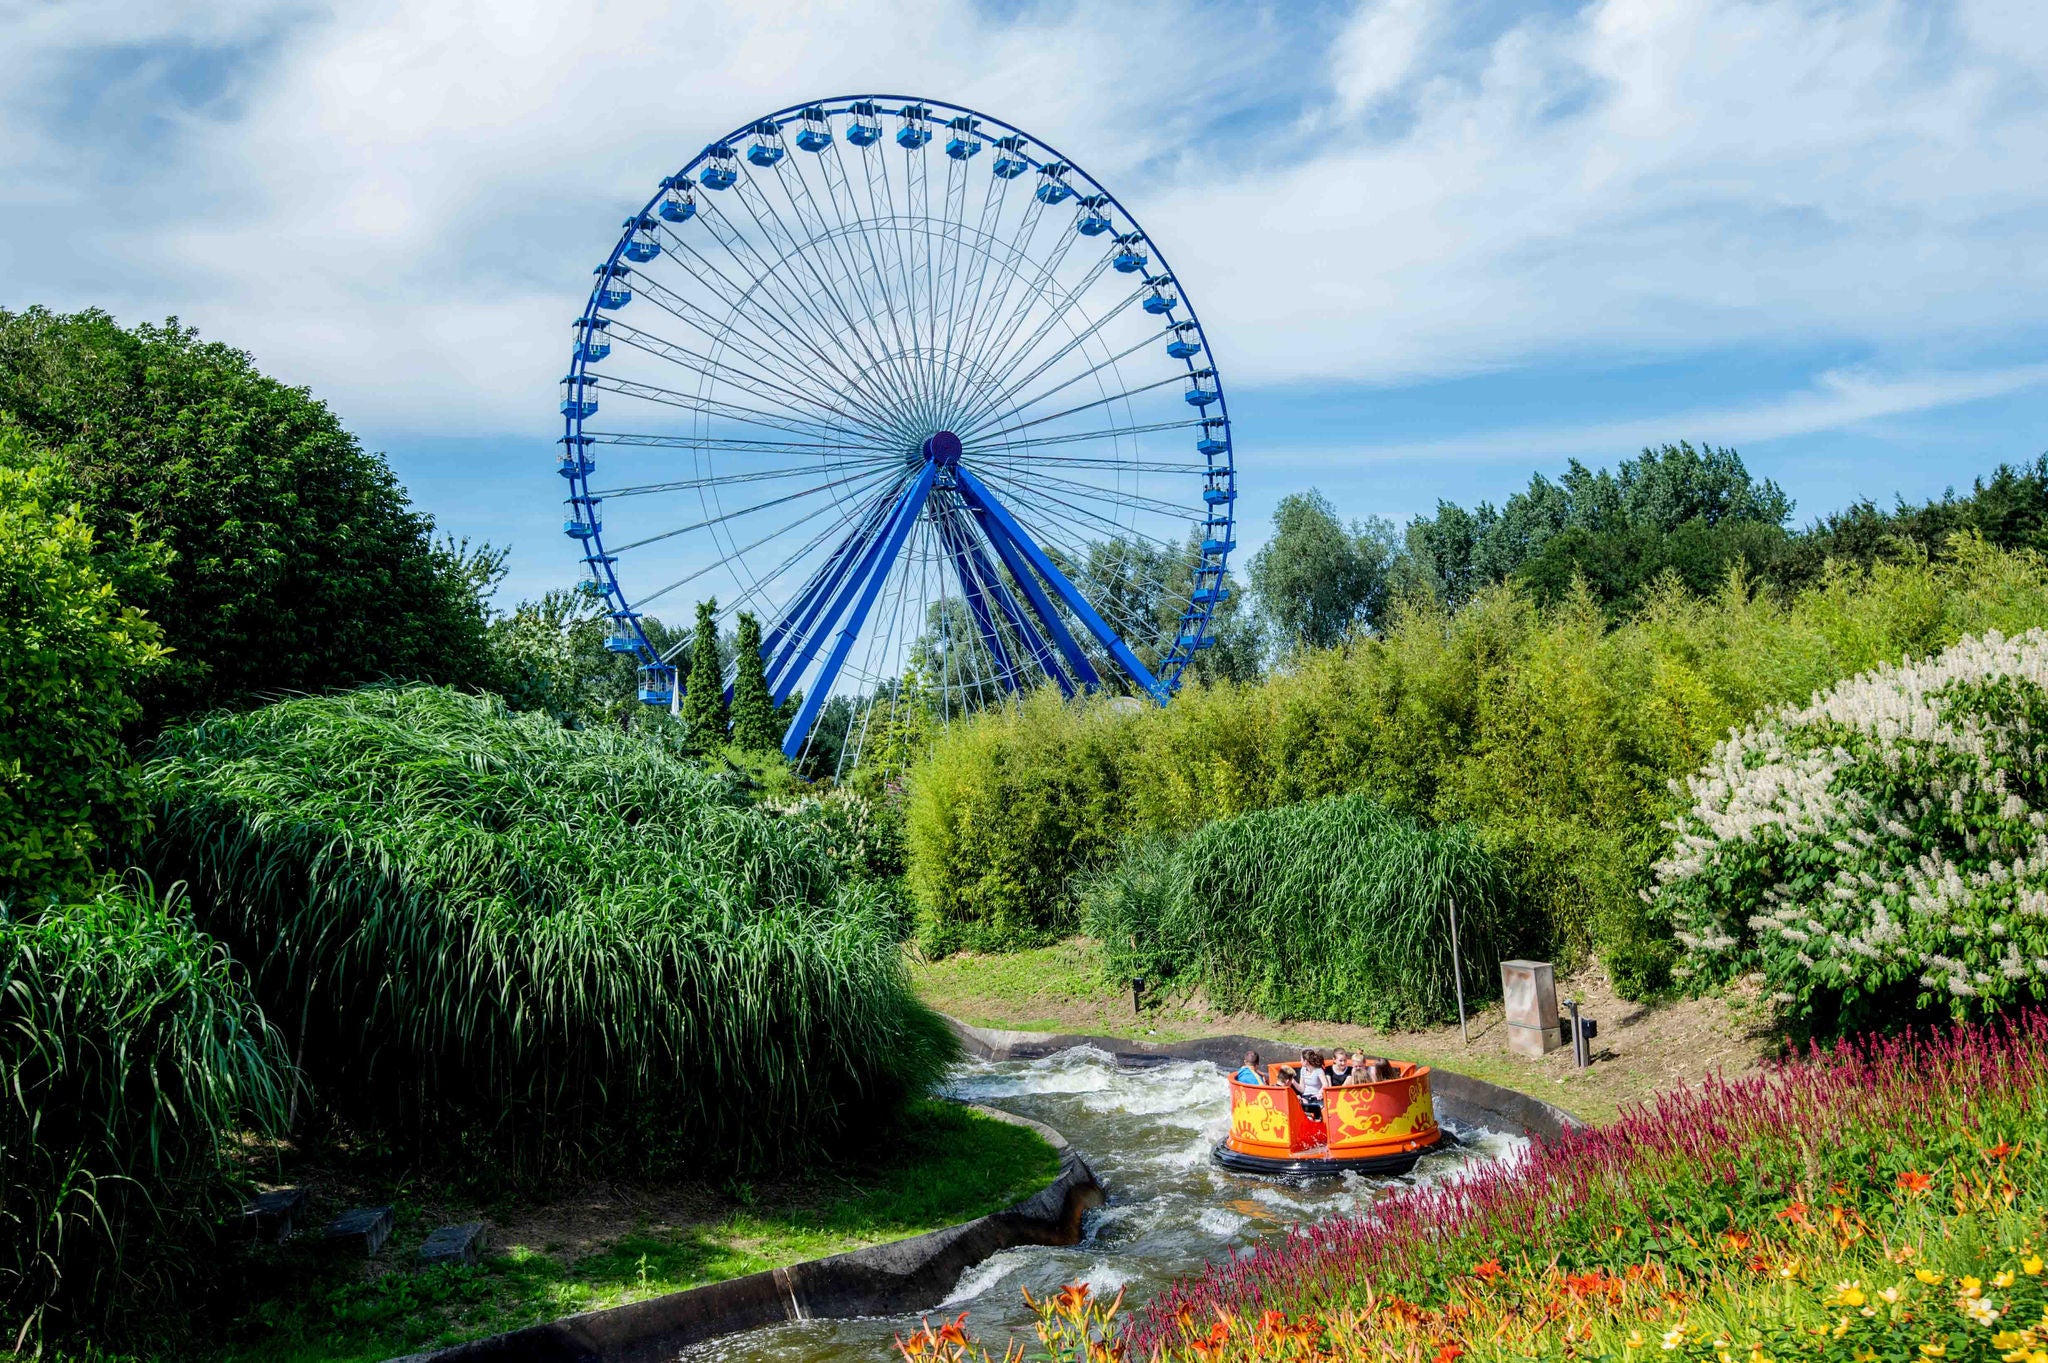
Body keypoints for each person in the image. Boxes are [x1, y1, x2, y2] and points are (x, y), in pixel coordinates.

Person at [1292, 1048, 1328, 1118]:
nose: (1300, 1062)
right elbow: (1302, 1089)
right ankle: (1308, 1117)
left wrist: (1320, 1093)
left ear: (1306, 1061)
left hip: (1316, 1097)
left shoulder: (1318, 1070)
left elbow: (1325, 1084)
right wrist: (1293, 1081)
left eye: (1301, 1060)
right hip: (1306, 1096)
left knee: (1315, 1107)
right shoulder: (1303, 1070)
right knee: (1302, 1103)